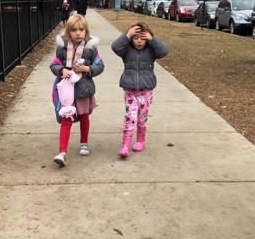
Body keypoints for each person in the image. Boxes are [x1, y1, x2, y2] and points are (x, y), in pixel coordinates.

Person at [50, 14, 104, 166]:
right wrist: (61, 70)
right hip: (67, 92)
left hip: (83, 90)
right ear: (68, 32)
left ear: (86, 31)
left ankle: (84, 142)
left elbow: (100, 66)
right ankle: (62, 152)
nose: (78, 33)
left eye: (81, 29)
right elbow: (53, 64)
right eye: (74, 30)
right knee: (67, 120)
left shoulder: (90, 49)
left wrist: (87, 68)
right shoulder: (62, 49)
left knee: (84, 116)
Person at [111, 22, 168, 157]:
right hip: (130, 90)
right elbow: (115, 46)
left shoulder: (151, 50)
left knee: (142, 118)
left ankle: (140, 141)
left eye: (142, 38)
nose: (139, 41)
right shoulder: (127, 50)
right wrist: (127, 35)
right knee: (129, 117)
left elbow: (164, 51)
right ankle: (125, 145)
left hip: (146, 91)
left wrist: (152, 40)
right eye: (135, 38)